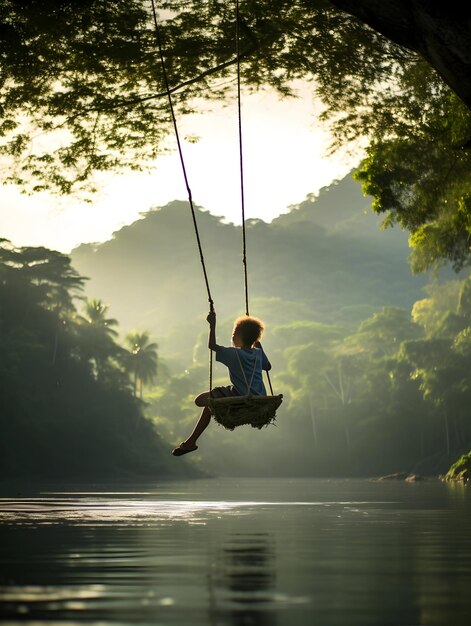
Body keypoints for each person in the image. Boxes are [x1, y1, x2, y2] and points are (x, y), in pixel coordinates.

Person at [172, 309, 271, 456]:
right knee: (209, 406)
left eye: (233, 335)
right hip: (259, 396)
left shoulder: (234, 353)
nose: (231, 338)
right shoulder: (257, 353)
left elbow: (212, 345)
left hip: (242, 395)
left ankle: (191, 442)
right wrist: (258, 344)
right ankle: (191, 442)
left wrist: (212, 325)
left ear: (239, 337)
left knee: (200, 400)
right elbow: (267, 366)